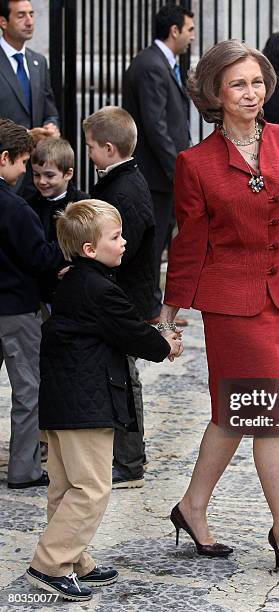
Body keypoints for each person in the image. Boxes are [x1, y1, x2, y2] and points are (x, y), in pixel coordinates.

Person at [160, 40, 279, 581]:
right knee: (271, 415)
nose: (251, 92)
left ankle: (192, 507)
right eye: (237, 84)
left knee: (233, 414)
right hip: (228, 306)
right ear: (215, 95)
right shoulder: (194, 164)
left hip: (277, 300)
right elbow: (190, 244)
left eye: (257, 82)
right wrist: (168, 316)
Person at [26, 199, 182, 602]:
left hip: (61, 400)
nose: (124, 241)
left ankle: (74, 558)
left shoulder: (73, 280)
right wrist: (164, 344)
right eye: (115, 237)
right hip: (85, 404)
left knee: (64, 487)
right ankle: (50, 563)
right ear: (89, 249)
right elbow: (133, 332)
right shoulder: (99, 290)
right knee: (92, 488)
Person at [83, 106, 158, 489]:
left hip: (124, 297)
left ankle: (130, 462)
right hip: (123, 294)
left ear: (109, 149)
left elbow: (121, 249)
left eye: (92, 147)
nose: (89, 153)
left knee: (123, 378)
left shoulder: (124, 190)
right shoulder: (121, 180)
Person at [0, 118, 63, 489]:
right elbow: (40, 258)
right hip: (15, 309)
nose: (25, 171)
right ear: (5, 158)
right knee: (28, 391)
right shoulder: (15, 208)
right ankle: (24, 469)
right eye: (23, 163)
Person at [122, 3, 195, 324]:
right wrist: (177, 167)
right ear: (174, 30)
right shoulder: (151, 65)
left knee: (161, 240)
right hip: (155, 174)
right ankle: (149, 308)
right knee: (151, 243)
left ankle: (153, 304)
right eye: (189, 30)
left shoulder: (162, 63)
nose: (192, 36)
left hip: (162, 173)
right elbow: (155, 126)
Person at [0, 0, 60, 196]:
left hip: (37, 174)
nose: (29, 21)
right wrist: (26, 135)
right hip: (6, 172)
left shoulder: (39, 62)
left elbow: (49, 108)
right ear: (3, 22)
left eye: (32, 14)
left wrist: (51, 126)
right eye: (21, 15)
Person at [29, 137, 88, 305]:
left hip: (72, 292)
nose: (41, 181)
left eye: (49, 175)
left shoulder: (82, 203)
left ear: (68, 174)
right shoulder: (28, 205)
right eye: (36, 175)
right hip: (38, 292)